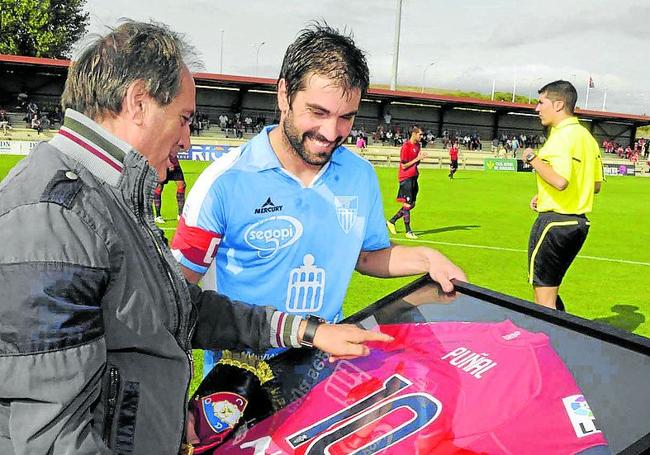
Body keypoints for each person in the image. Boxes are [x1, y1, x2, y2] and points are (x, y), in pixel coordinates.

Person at [0, 21, 392, 455]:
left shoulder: (107, 197)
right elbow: (49, 436)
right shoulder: (52, 216)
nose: (187, 141)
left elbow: (179, 310)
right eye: (185, 118)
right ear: (138, 103)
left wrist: (306, 331)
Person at [171, 23, 466, 376]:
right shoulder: (223, 183)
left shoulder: (359, 176)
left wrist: (426, 257)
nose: (331, 133)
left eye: (346, 117)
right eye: (318, 112)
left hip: (324, 367)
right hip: (240, 380)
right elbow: (176, 295)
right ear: (284, 94)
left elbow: (367, 256)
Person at [523, 80, 603, 311]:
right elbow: (594, 186)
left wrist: (532, 158)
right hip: (577, 224)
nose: (537, 108)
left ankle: (551, 345)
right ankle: (560, 338)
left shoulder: (560, 137)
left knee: (544, 300)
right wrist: (543, 195)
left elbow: (559, 181)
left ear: (558, 104)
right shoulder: (587, 138)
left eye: (541, 102)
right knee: (551, 293)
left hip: (555, 223)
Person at [386, 126, 427, 239]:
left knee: (412, 204)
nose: (422, 137)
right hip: (405, 177)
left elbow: (415, 163)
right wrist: (417, 159)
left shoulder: (418, 146)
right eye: (420, 134)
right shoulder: (406, 147)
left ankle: (392, 221)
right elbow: (403, 165)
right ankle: (408, 231)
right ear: (413, 134)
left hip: (414, 176)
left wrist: (418, 159)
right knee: (407, 204)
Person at [154, 154, 186, 223]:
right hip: (161, 165)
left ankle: (180, 214)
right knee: (158, 188)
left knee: (182, 186)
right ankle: (158, 215)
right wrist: (168, 162)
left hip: (175, 164)